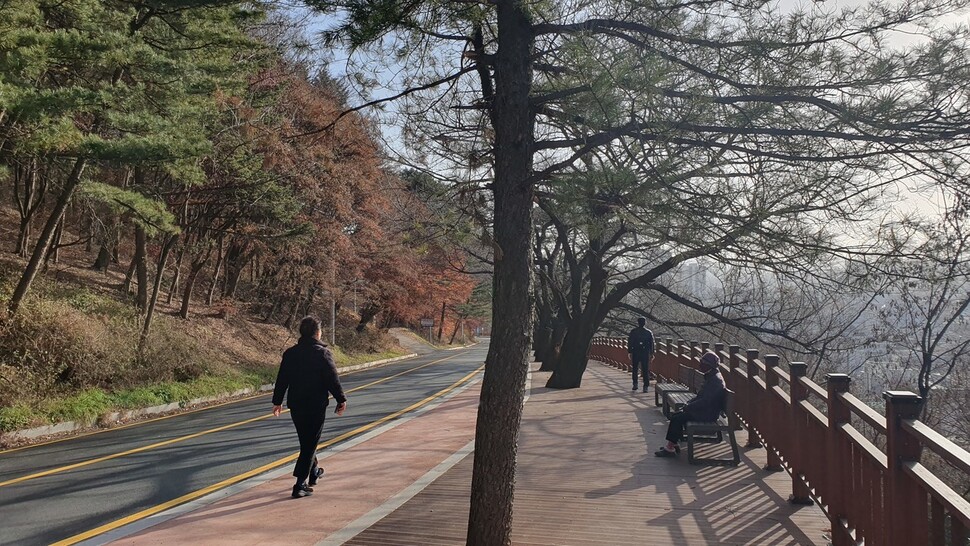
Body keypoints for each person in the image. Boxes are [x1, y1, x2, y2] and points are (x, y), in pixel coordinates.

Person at [272, 316, 348, 498]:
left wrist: (277, 401)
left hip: (296, 404)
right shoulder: (322, 353)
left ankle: (313, 471)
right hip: (315, 404)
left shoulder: (291, 353)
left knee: (307, 440)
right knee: (309, 443)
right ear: (318, 332)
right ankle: (300, 484)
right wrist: (341, 399)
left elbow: (282, 379)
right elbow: (332, 378)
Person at [655, 350, 726, 457]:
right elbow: (701, 397)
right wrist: (689, 403)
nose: (700, 365)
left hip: (708, 414)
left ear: (709, 365)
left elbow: (706, 401)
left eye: (702, 363)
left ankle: (670, 448)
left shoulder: (715, 380)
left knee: (677, 418)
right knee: (677, 415)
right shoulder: (712, 376)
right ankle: (672, 444)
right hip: (706, 410)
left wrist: (690, 407)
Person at [627, 317, 655, 392]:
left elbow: (630, 342)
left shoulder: (633, 331)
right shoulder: (648, 332)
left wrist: (629, 351)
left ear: (638, 323)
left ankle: (635, 384)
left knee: (635, 369)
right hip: (645, 352)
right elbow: (652, 343)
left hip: (635, 351)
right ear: (644, 323)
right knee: (645, 369)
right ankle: (645, 386)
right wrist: (652, 353)